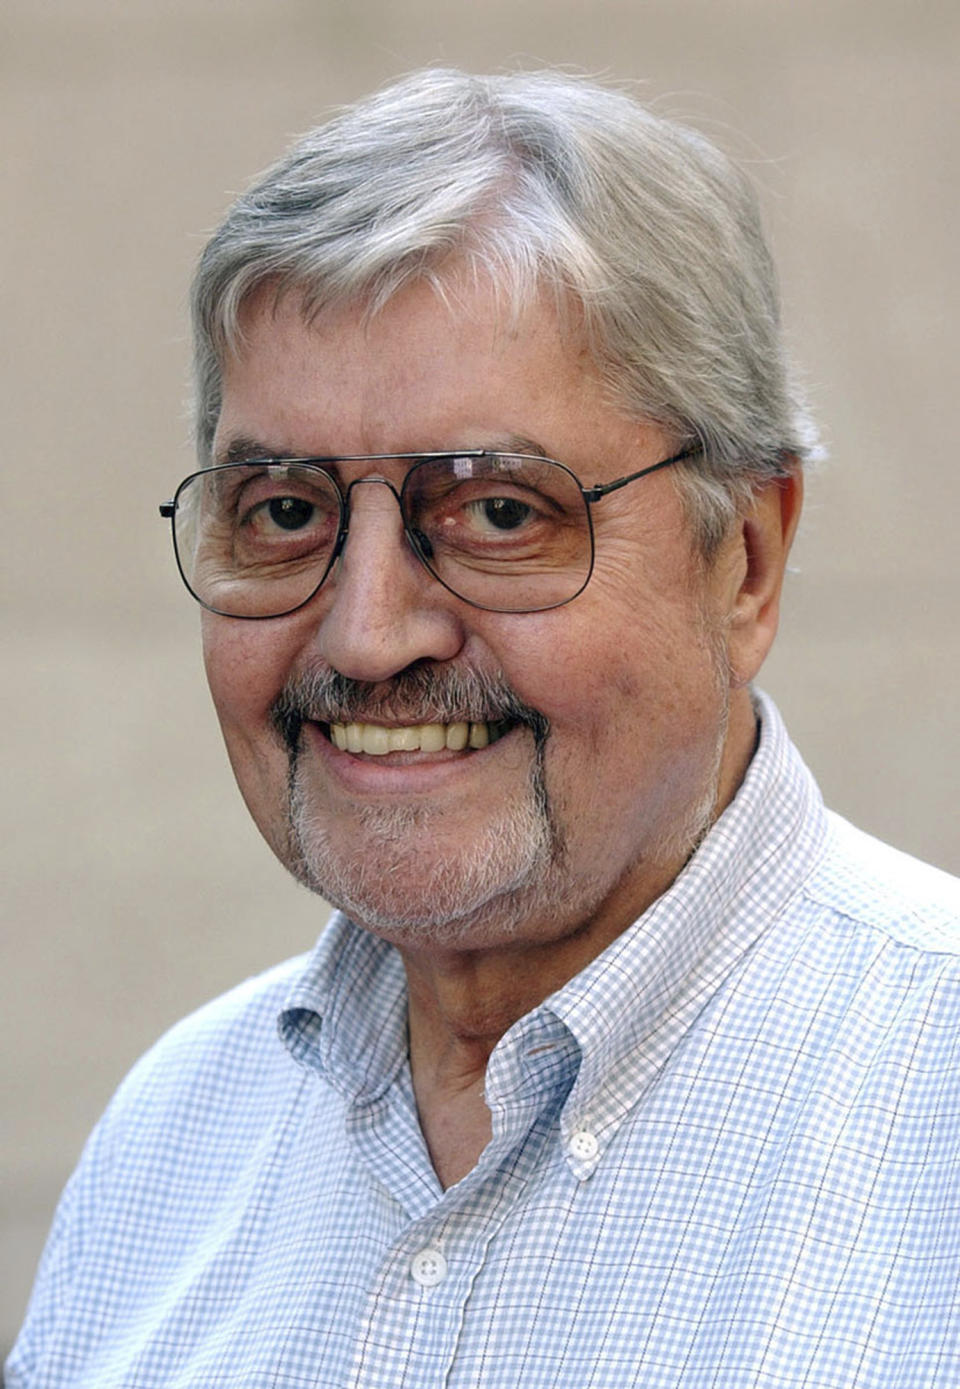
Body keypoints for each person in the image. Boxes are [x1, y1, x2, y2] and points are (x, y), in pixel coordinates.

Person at [8, 68, 960, 1388]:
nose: (364, 634)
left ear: (742, 559)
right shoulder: (174, 1137)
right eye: (284, 511)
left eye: (500, 511)